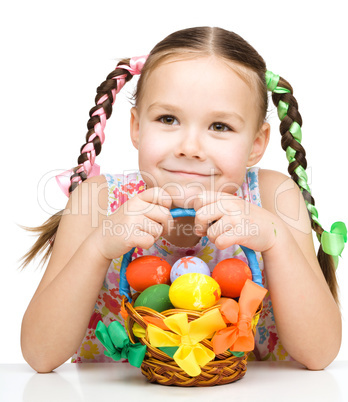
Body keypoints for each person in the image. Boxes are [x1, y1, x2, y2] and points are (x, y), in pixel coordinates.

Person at [20, 26, 346, 373]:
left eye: (220, 126)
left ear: (256, 143)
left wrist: (276, 242)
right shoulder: (98, 201)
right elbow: (40, 355)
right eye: (168, 119)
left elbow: (320, 352)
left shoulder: (274, 197)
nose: (189, 148)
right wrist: (98, 247)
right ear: (136, 127)